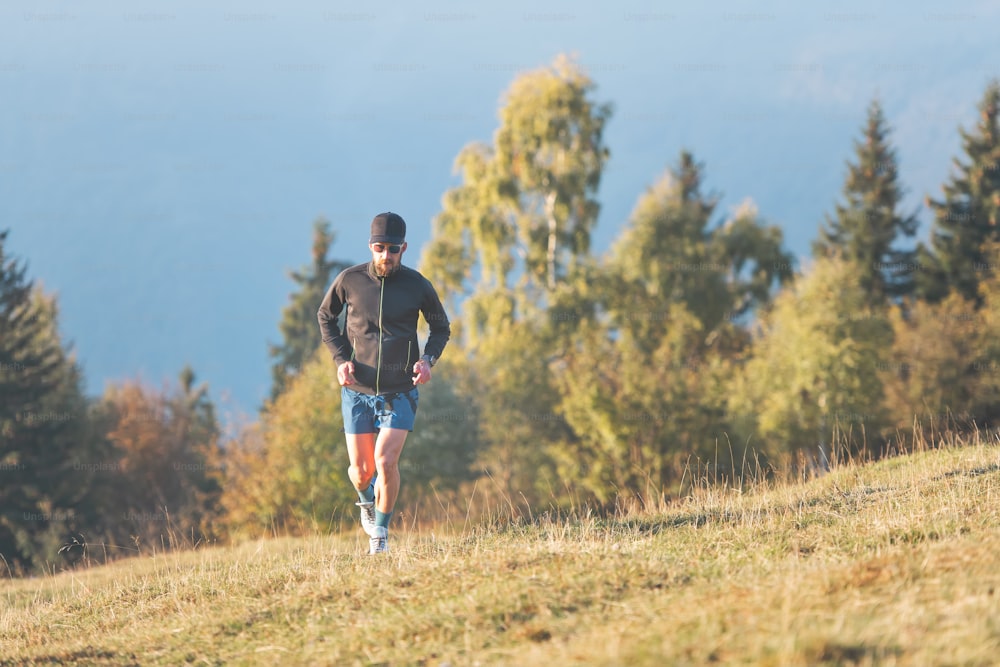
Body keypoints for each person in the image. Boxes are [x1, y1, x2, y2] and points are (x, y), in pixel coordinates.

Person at [317, 212, 450, 555]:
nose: (386, 256)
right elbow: (325, 317)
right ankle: (366, 502)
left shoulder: (417, 285)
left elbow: (441, 328)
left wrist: (427, 360)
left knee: (385, 461)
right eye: (380, 248)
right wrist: (341, 359)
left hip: (400, 392)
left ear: (403, 248)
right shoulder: (350, 280)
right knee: (361, 472)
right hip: (357, 392)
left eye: (393, 249)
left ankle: (380, 533)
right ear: (370, 246)